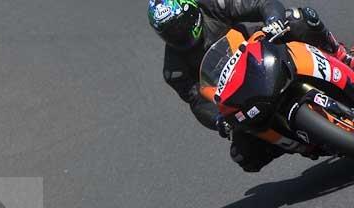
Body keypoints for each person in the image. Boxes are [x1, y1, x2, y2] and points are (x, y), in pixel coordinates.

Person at [148, 0, 354, 172]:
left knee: (299, 18)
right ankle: (301, 143)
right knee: (243, 155)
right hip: (241, 96)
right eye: (170, 33)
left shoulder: (213, 5)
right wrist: (219, 121)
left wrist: (273, 21)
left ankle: (342, 55)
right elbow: (197, 101)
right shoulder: (174, 70)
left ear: (192, 12)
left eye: (181, 25)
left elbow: (260, 3)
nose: (179, 34)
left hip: (264, 50)